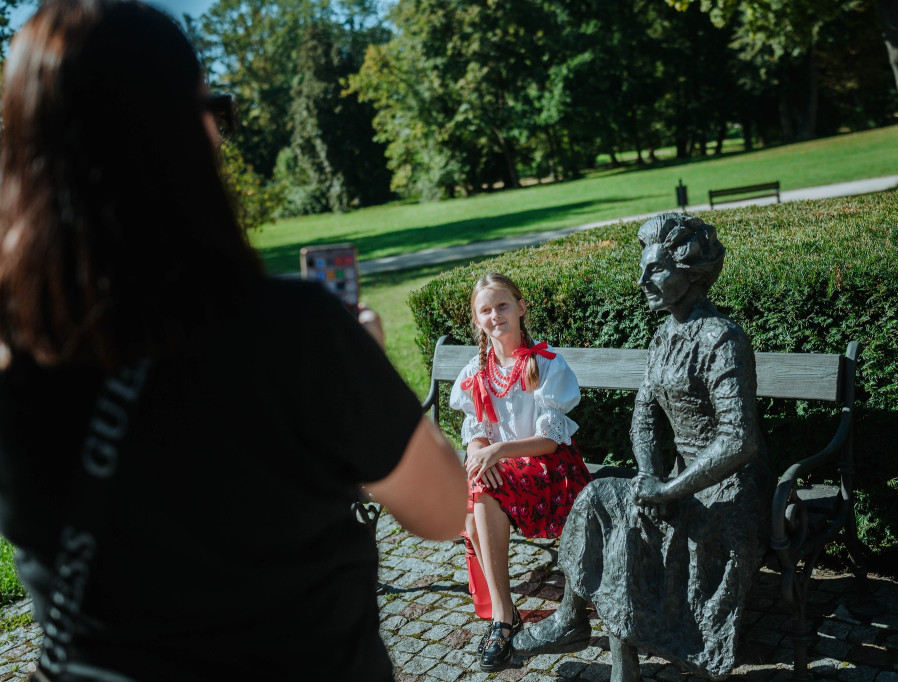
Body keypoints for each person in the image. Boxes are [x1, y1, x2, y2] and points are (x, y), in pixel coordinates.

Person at [0, 1, 466, 680]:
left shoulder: (14, 355)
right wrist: (359, 369)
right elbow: (446, 508)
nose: (221, 129)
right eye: (214, 107)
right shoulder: (294, 333)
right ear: (180, 135)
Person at [514, 214, 774, 680]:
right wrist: (650, 476)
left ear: (691, 274)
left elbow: (739, 439)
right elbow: (644, 417)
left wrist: (670, 488)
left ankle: (623, 669)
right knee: (598, 498)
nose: (642, 280)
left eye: (654, 270)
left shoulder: (723, 339)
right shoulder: (663, 337)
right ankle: (573, 619)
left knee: (632, 524)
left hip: (729, 493)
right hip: (676, 479)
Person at [449, 273, 592, 671]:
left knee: (480, 489)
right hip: (506, 472)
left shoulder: (544, 364)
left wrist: (496, 452)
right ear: (477, 321)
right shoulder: (477, 372)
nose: (495, 315)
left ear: (521, 307)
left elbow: (550, 441)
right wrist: (481, 452)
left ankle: (502, 619)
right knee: (479, 488)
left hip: (553, 473)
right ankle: (504, 612)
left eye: (502, 305)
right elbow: (476, 431)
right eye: (485, 310)